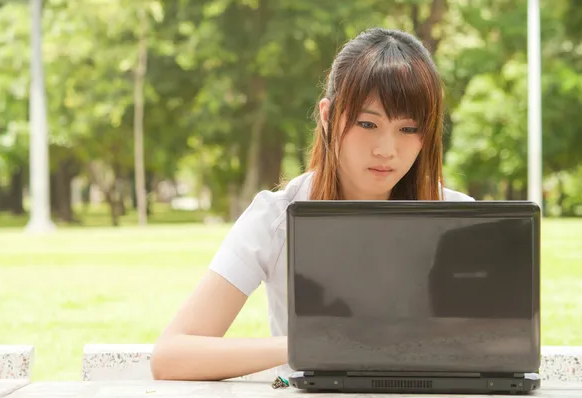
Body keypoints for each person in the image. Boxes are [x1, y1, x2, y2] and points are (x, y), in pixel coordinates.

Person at [150, 27, 474, 382]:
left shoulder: (459, 220)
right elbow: (172, 355)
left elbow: (495, 350)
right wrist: (308, 345)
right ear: (327, 116)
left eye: (408, 129)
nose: (386, 149)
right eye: (368, 123)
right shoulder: (276, 218)